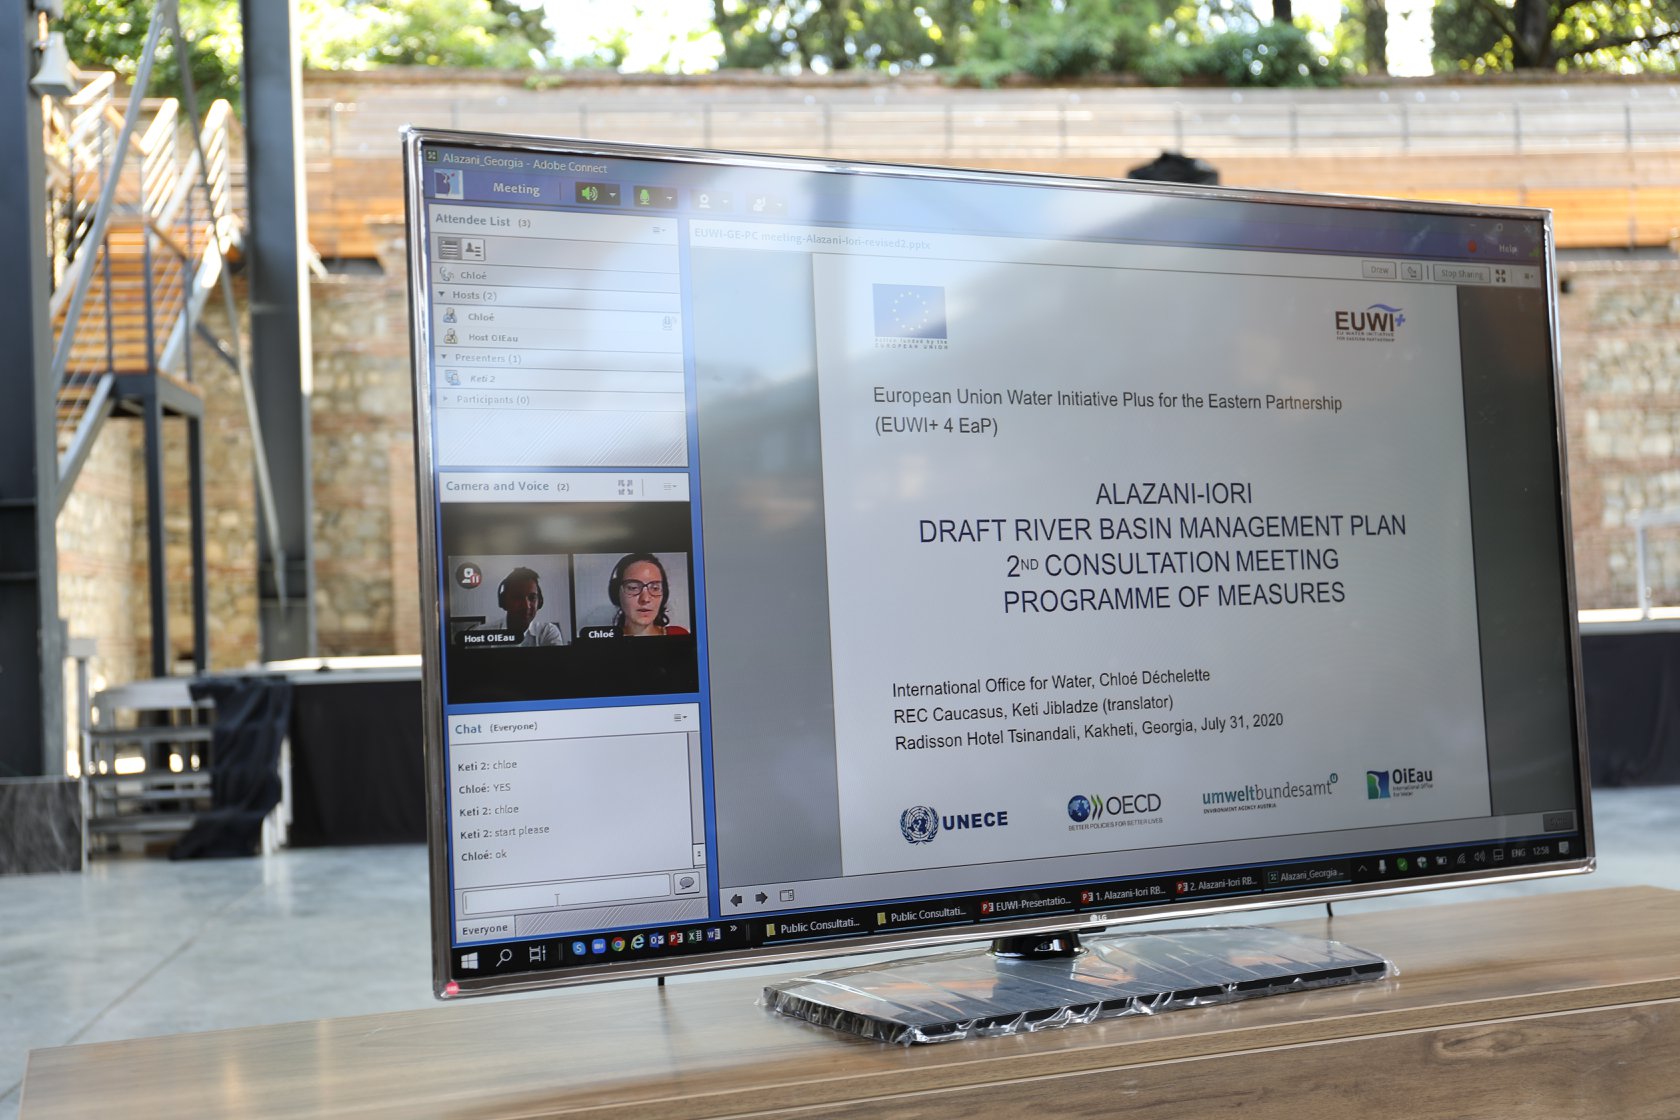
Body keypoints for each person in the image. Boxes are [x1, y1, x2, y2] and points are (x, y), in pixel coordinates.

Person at [474, 566, 566, 646]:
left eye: (532, 597)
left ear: (540, 602)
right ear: (504, 601)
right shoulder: (479, 634)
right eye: (517, 597)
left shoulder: (548, 632)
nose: (526, 606)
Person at [608, 553, 688, 637]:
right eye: (633, 588)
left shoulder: (679, 634)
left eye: (655, 588)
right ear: (616, 593)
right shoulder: (606, 637)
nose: (645, 599)